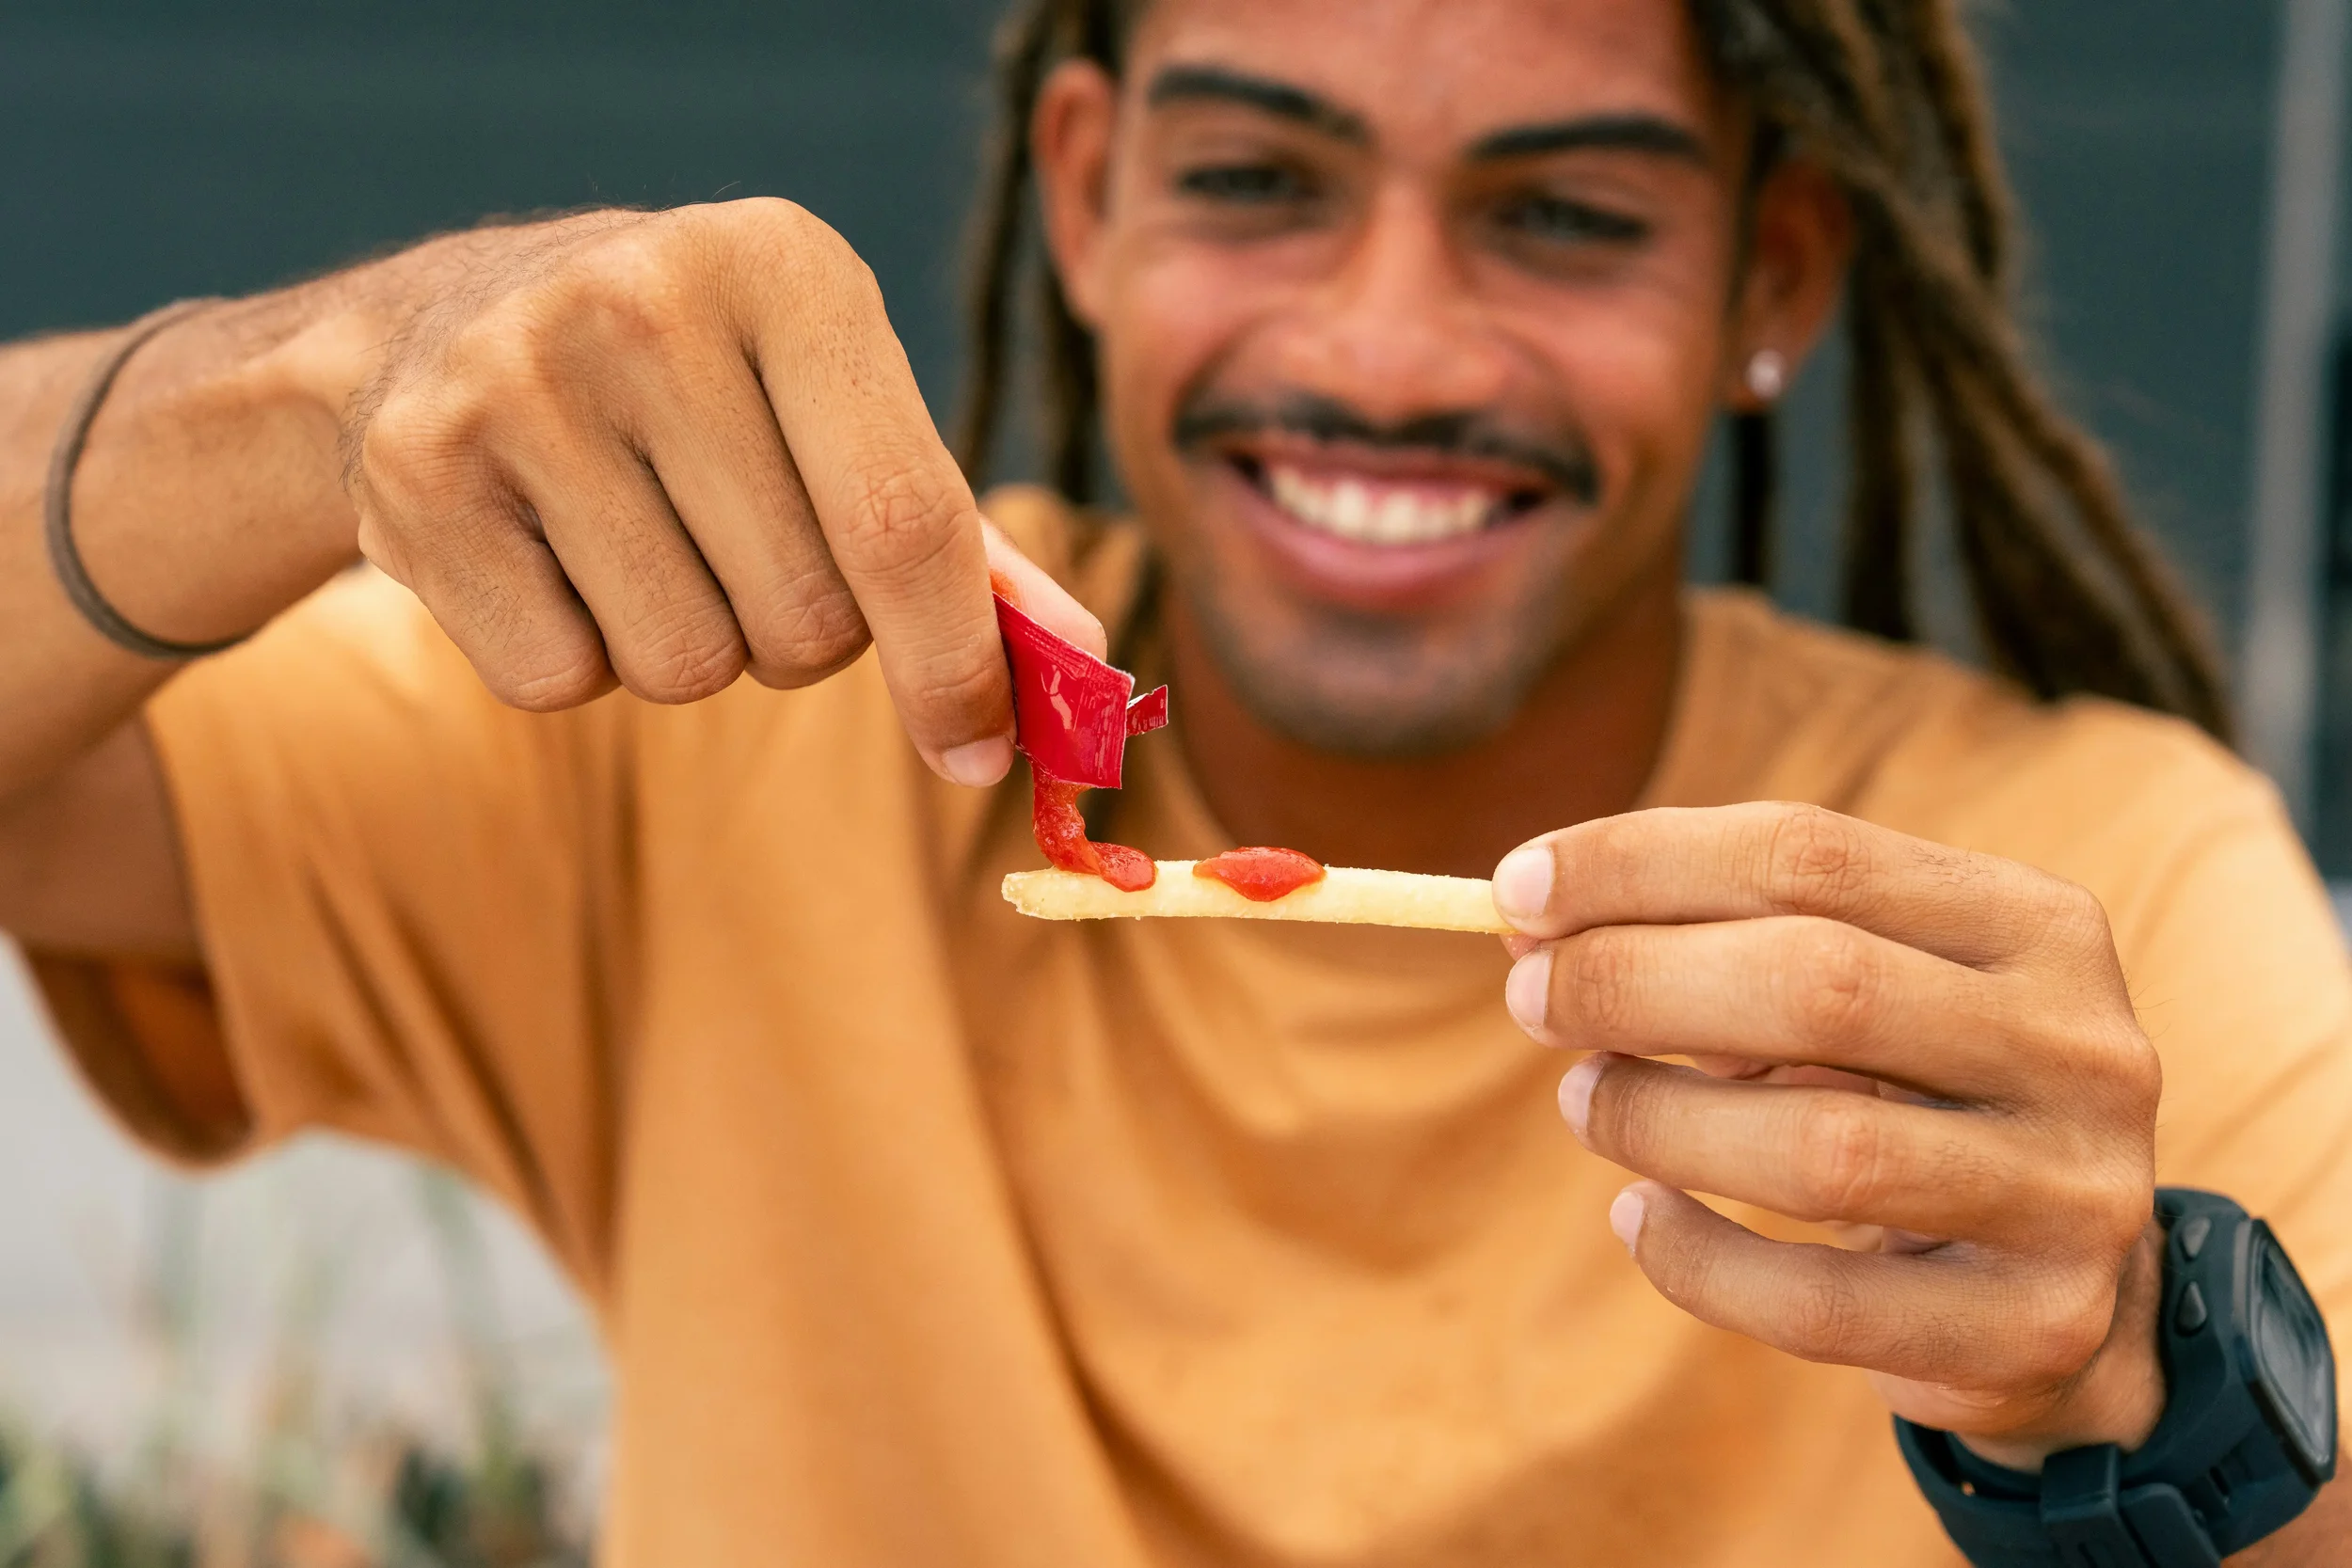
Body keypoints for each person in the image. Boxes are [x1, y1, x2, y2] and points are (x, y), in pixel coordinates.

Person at [0, 0, 2344, 1562]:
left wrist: (2131, 1380)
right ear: (1086, 187)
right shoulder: (703, 745)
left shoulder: (2087, 875)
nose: (1384, 348)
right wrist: (296, 406)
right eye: (1256, 179)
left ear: (1775, 272)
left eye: (1563, 216)